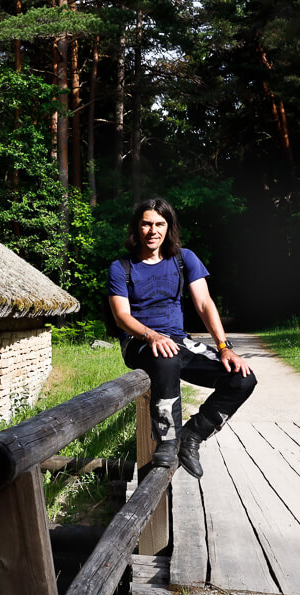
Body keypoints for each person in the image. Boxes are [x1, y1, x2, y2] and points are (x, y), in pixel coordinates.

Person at [107, 198, 256, 478]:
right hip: (138, 342)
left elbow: (204, 304)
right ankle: (167, 438)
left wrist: (225, 347)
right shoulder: (121, 267)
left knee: (242, 378)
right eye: (146, 224)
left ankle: (193, 435)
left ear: (168, 227)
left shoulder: (183, 259)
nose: (153, 230)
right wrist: (151, 336)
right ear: (137, 228)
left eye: (160, 224)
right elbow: (121, 317)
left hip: (177, 340)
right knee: (166, 359)